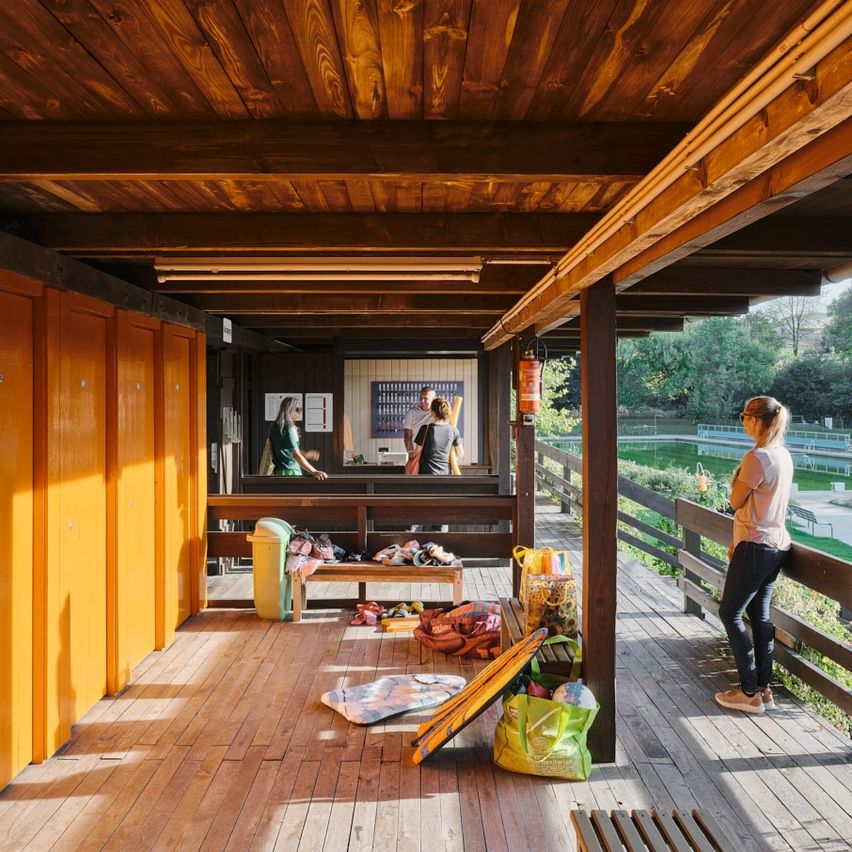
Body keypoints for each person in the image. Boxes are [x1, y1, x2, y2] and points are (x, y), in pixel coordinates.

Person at [715, 396, 792, 715]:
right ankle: (763, 689)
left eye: (745, 416)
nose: (743, 421)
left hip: (755, 546)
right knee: (759, 617)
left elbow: (734, 500)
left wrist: (734, 478)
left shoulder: (757, 457)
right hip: (777, 546)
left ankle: (748, 691)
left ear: (759, 421)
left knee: (730, 614)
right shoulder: (783, 455)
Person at [268, 397, 328, 480]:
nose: (299, 413)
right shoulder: (289, 428)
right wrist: (314, 471)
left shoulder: (274, 428)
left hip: (278, 473)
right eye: (297, 409)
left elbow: (285, 450)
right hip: (291, 473)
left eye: (300, 410)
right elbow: (296, 455)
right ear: (290, 410)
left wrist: (305, 454)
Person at [415, 397, 463, 475]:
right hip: (446, 473)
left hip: (427, 473)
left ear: (433, 412)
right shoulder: (454, 431)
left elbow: (416, 452)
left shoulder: (425, 429)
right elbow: (461, 454)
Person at [403, 386, 435, 466]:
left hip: (433, 455)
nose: (422, 400)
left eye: (426, 398)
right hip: (416, 455)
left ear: (433, 399)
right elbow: (407, 436)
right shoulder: (411, 413)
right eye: (421, 397)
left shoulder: (437, 413)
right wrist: (411, 453)